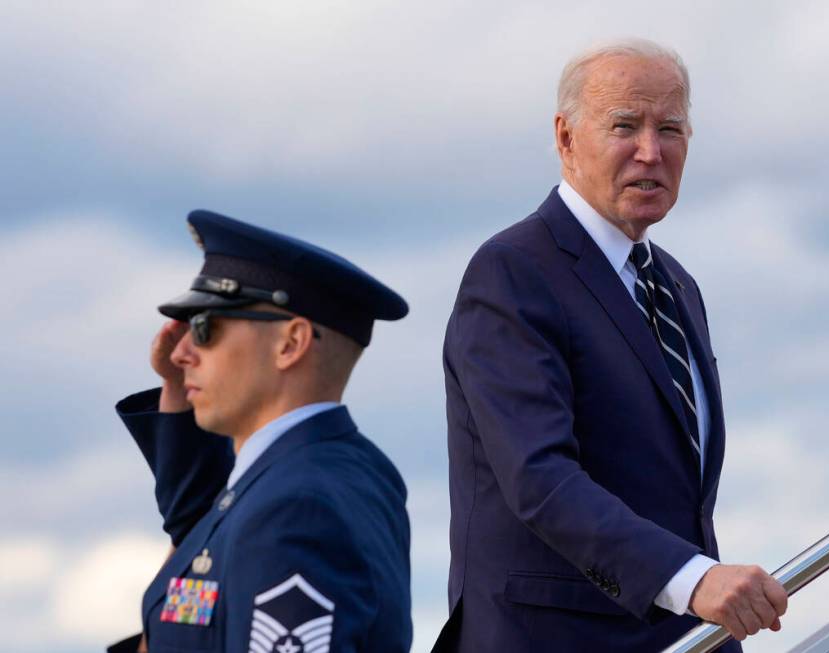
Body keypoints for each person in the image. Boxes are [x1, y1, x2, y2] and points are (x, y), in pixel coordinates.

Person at [432, 39, 788, 652]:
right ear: (566, 139)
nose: (650, 151)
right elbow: (539, 478)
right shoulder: (513, 272)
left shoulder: (676, 284)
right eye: (625, 126)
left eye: (670, 128)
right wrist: (693, 579)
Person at [107, 210, 412, 653]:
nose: (181, 353)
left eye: (205, 328)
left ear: (290, 344)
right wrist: (177, 391)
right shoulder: (311, 476)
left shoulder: (298, 507)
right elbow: (202, 525)